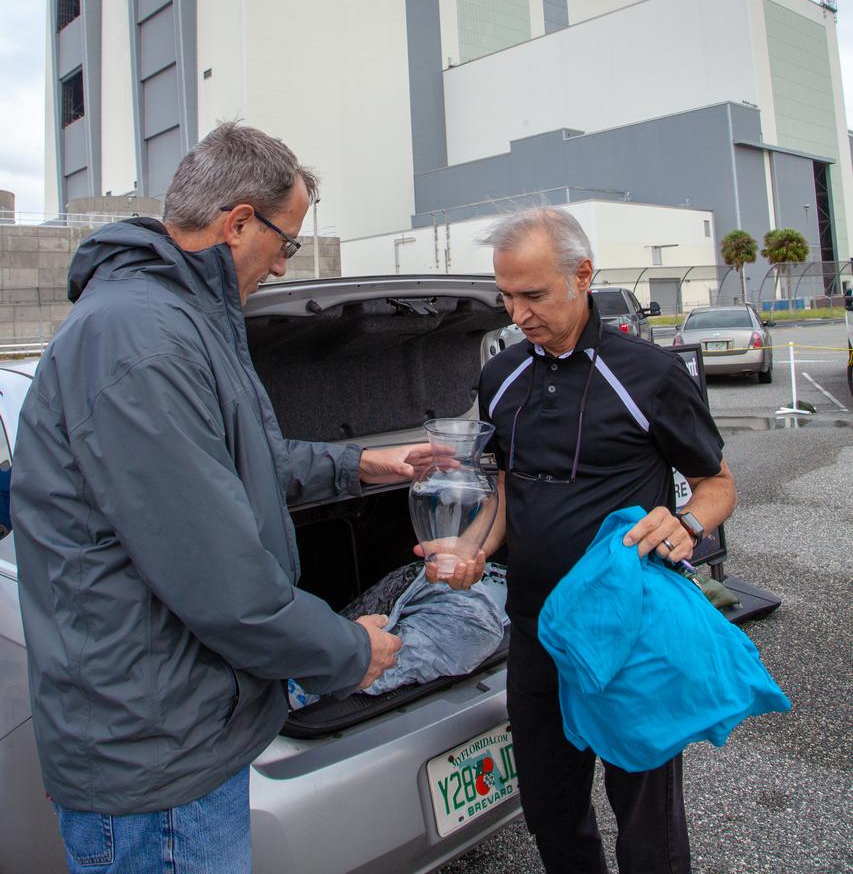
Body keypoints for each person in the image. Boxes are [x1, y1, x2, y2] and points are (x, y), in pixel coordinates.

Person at [11, 122, 431, 874]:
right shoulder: (140, 340)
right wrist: (345, 651)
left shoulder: (177, 321)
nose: (282, 265)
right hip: (154, 758)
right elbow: (221, 580)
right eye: (287, 244)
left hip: (182, 735)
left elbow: (247, 462)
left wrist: (364, 465)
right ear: (240, 222)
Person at [434, 208, 736, 874]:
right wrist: (474, 550)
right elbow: (506, 490)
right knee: (550, 813)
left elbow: (715, 484)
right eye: (506, 296)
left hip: (628, 636)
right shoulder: (501, 376)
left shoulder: (649, 375)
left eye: (533, 295)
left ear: (582, 275)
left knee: (647, 828)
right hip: (536, 633)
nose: (517, 313)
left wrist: (685, 524)